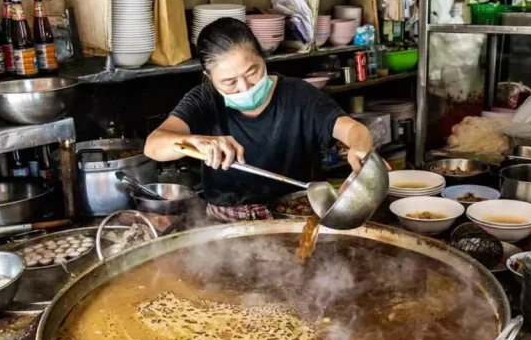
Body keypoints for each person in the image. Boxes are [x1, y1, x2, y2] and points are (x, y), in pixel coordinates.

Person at [144, 18, 377, 222]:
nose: (245, 87)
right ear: (209, 77)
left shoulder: (299, 95)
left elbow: (353, 130)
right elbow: (153, 146)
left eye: (252, 72)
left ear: (264, 58)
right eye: (230, 82)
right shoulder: (204, 99)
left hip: (296, 213)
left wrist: (359, 147)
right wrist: (197, 141)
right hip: (225, 224)